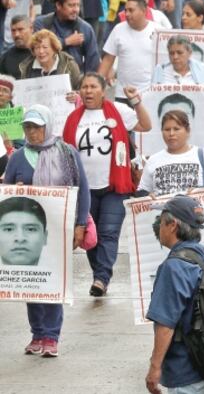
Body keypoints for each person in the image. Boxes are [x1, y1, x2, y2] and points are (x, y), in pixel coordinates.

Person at [3, 105, 90, 358]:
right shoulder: (18, 157)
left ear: (48, 126)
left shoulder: (66, 153)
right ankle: (37, 333)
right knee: (33, 284)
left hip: (58, 230)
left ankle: (51, 336)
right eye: (28, 127)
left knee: (54, 282)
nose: (31, 133)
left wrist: (80, 224)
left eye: (37, 127)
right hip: (30, 233)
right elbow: (7, 191)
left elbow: (82, 189)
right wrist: (16, 189)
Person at [63, 72, 152, 296]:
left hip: (115, 186)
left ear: (103, 90)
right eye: (84, 87)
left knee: (109, 233)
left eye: (93, 87)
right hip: (85, 191)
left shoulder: (118, 111)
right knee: (91, 238)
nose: (88, 91)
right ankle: (99, 274)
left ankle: (101, 278)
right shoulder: (73, 117)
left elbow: (145, 125)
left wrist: (136, 101)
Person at [144, 195, 204, 394]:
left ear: (172, 226)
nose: (158, 227)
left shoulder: (173, 268)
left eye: (161, 221)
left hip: (186, 372)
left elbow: (165, 325)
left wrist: (155, 368)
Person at [151, 35, 204, 162]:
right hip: (170, 131)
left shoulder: (203, 71)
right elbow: (152, 101)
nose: (175, 57)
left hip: (198, 130)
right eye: (171, 53)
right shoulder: (161, 71)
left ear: (189, 53)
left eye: (179, 52)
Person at [138, 110, 204, 197]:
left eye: (176, 129)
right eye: (167, 129)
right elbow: (141, 191)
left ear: (188, 131)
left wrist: (202, 191)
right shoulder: (153, 160)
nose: (171, 133)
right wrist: (148, 195)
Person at [34, 0, 100, 73]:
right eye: (71, 5)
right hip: (46, 77)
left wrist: (85, 83)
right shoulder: (42, 23)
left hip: (74, 80)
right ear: (58, 5)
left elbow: (92, 63)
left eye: (77, 5)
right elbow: (39, 50)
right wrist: (66, 42)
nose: (75, 10)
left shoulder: (85, 28)